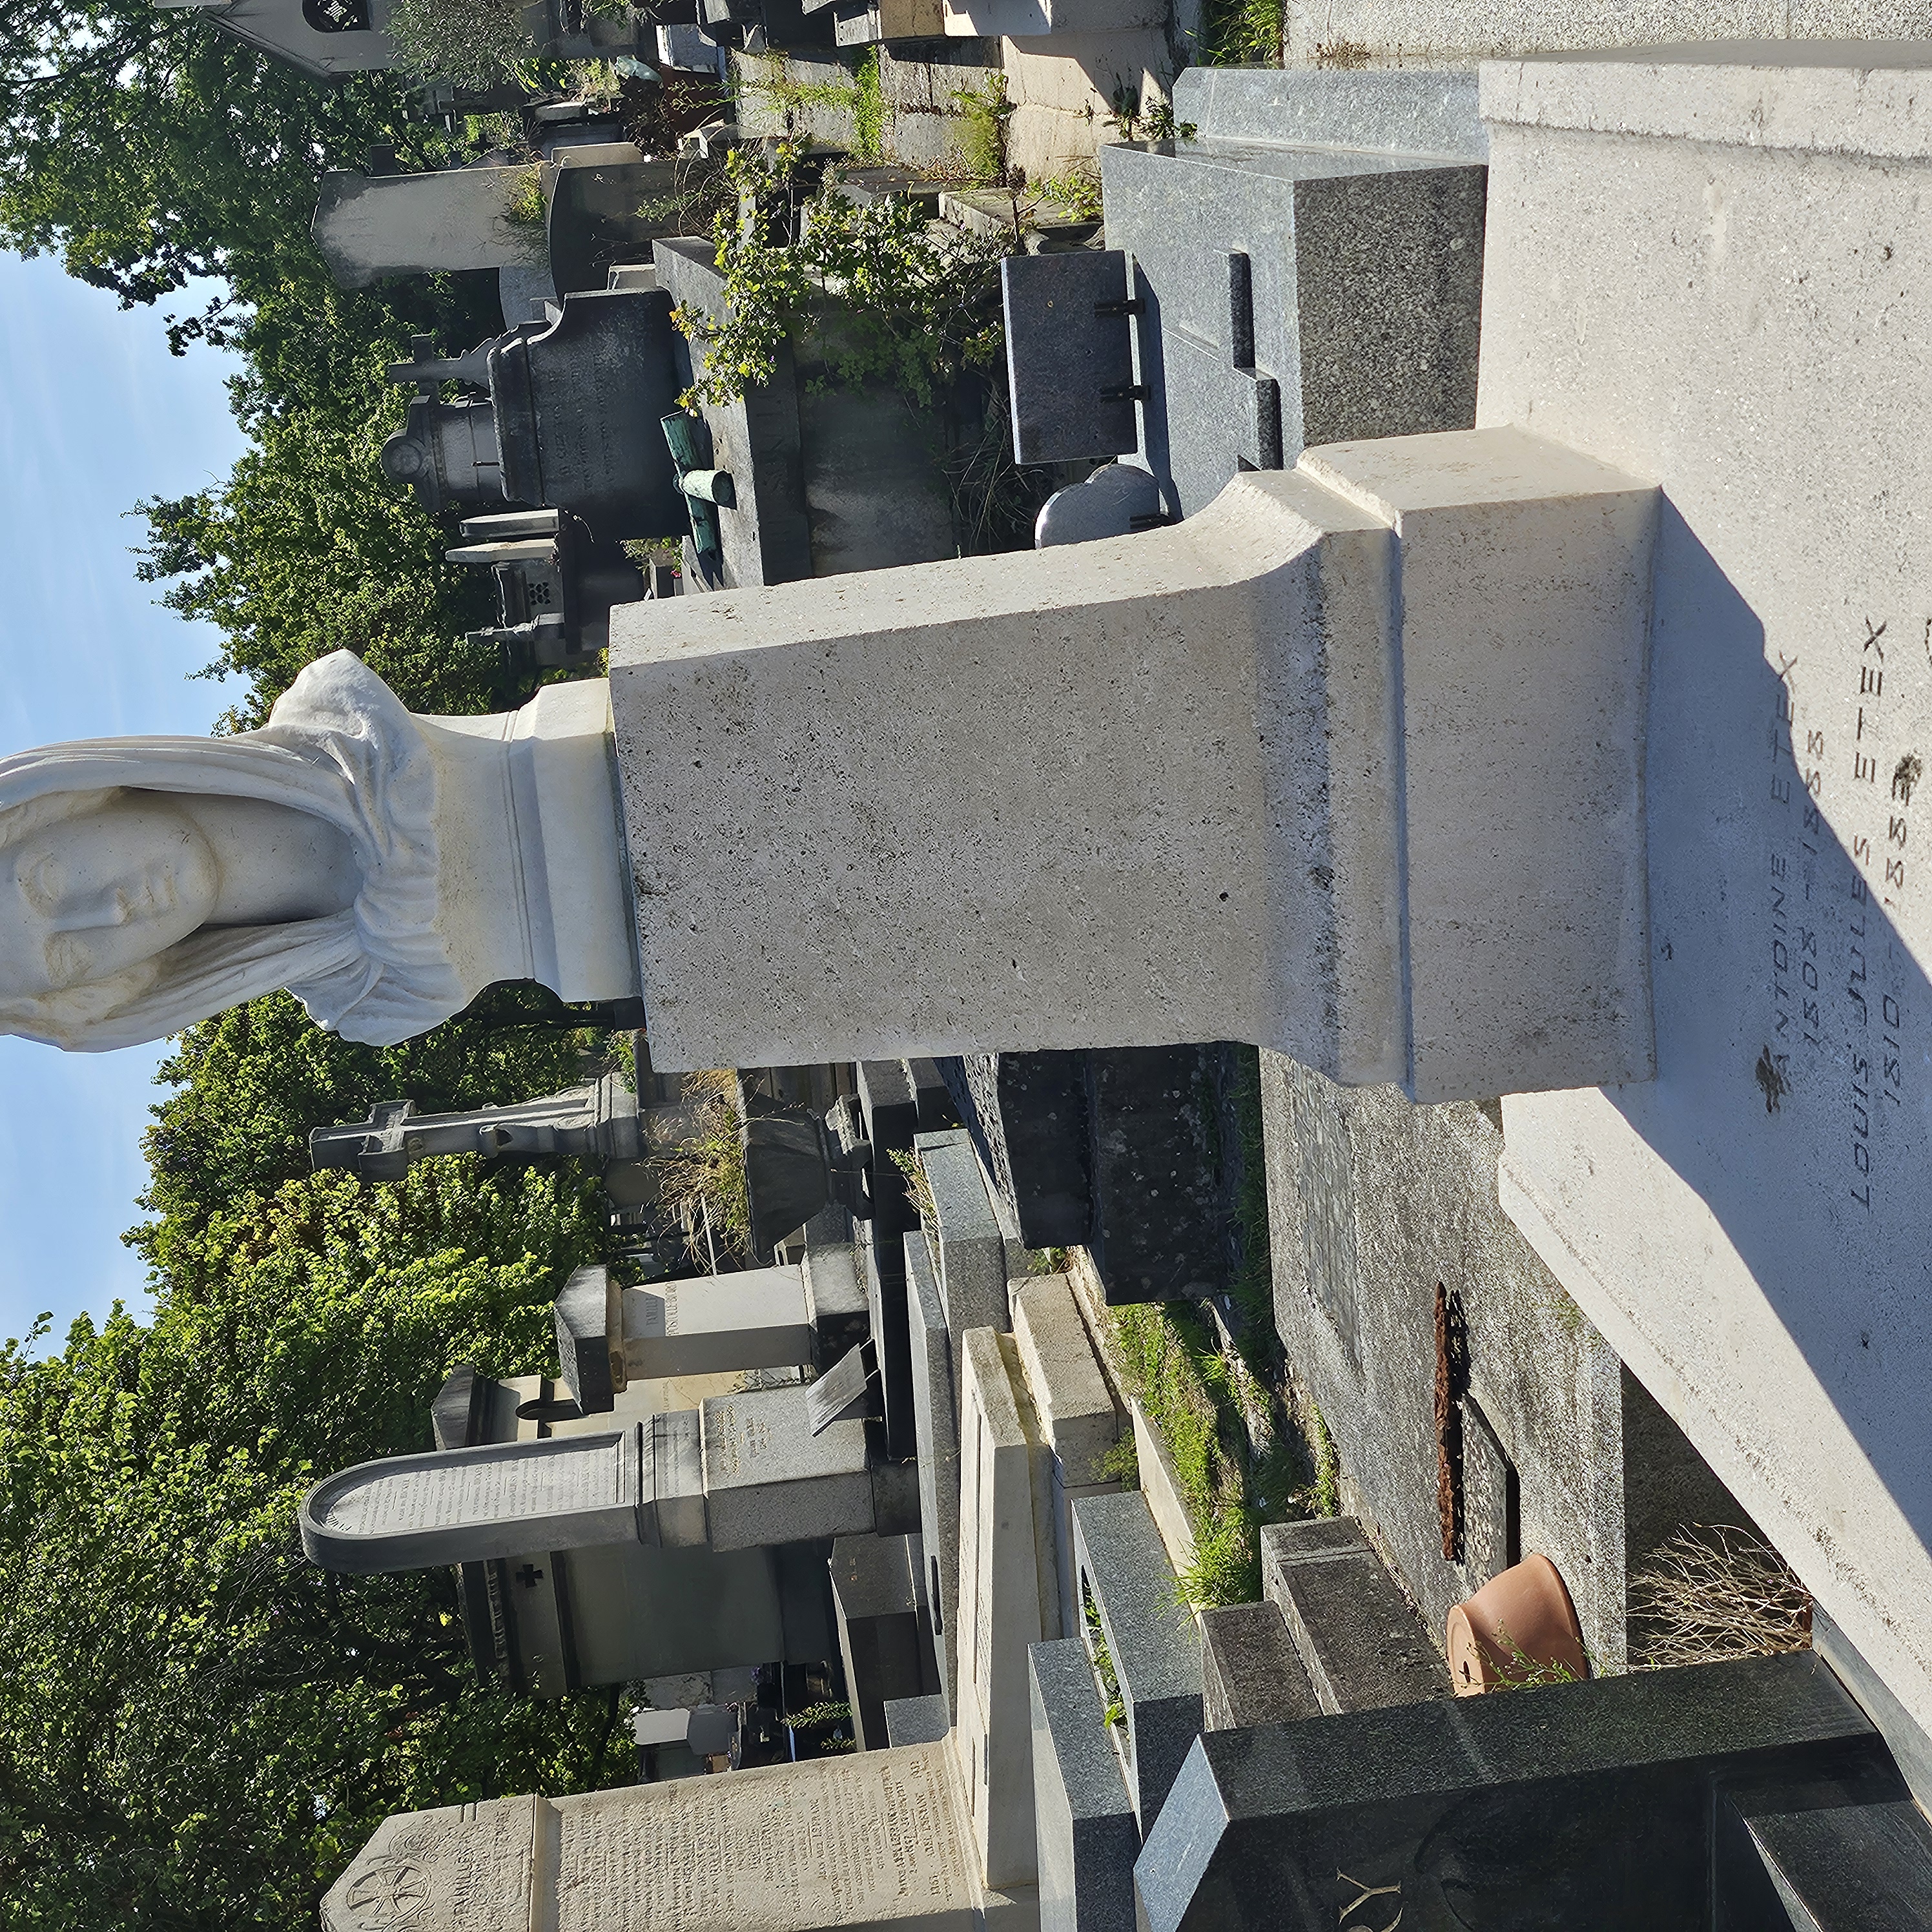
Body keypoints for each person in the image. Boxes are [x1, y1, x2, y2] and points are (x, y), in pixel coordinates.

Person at [0, 651, 464, 1051]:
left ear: (55, 806)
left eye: (47, 883)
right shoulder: (375, 998)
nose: (110, 913)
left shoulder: (342, 713)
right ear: (107, 989)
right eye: (69, 958)